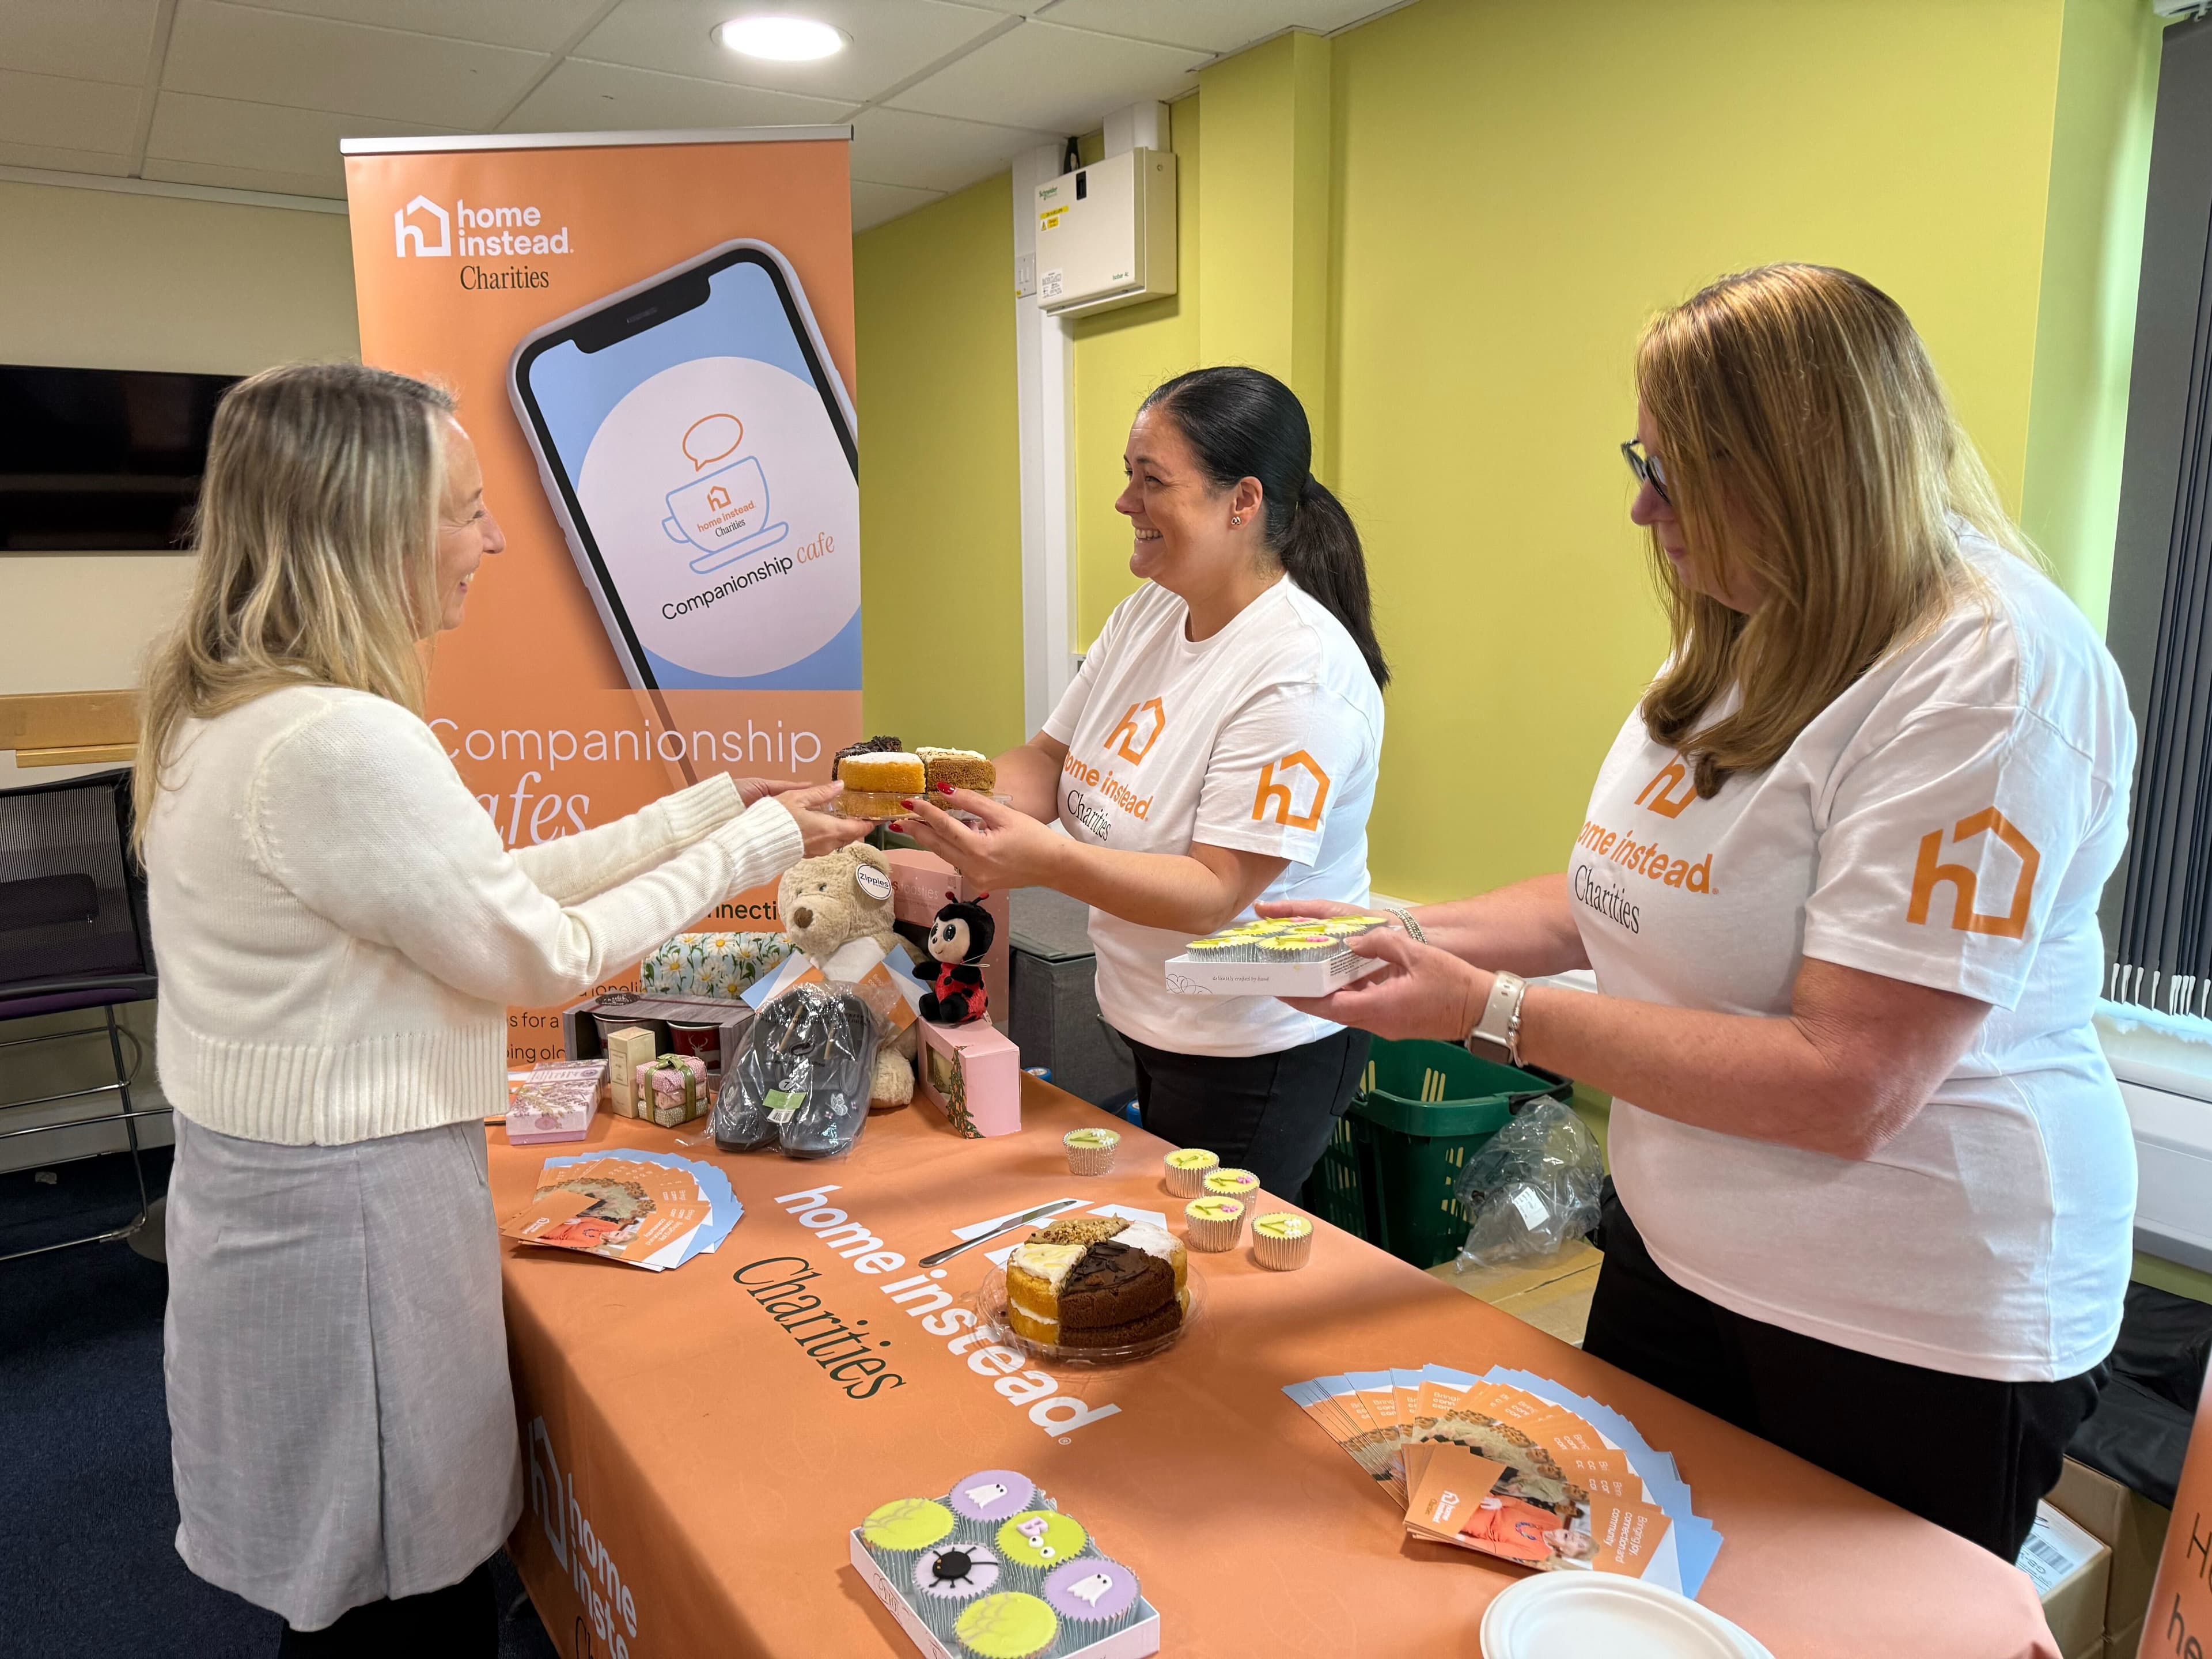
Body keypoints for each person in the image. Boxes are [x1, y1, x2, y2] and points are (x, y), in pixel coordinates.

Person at [1274, 265, 2136, 1562]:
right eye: (1644, 457)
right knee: (1627, 1585)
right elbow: (1615, 896)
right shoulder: (1741, 630)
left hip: (1909, 1319)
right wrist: (1398, 933)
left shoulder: (1992, 674)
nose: (1639, 505)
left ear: (1799, 466)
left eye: (1674, 469)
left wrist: (1491, 1017)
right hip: (1683, 1257)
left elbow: (1850, 1082)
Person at [137, 362, 867, 1653]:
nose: (495, 539)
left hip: (284, 1196)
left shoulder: (239, 713)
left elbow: (472, 893)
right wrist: (746, 852)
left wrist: (704, 811)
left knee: (359, 1570)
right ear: (367, 525)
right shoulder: (336, 742)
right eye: (466, 508)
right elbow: (542, 953)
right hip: (346, 1216)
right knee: (398, 1581)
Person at [897, 366, 1387, 1198]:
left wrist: (1041, 861)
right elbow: (1048, 760)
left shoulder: (1299, 677)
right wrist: (946, 802)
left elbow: (1214, 890)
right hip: (1151, 1013)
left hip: (1255, 1042)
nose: (1126, 501)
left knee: (1216, 1271)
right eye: (1129, 475)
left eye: (1151, 480)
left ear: (1244, 501)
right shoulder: (1151, 611)